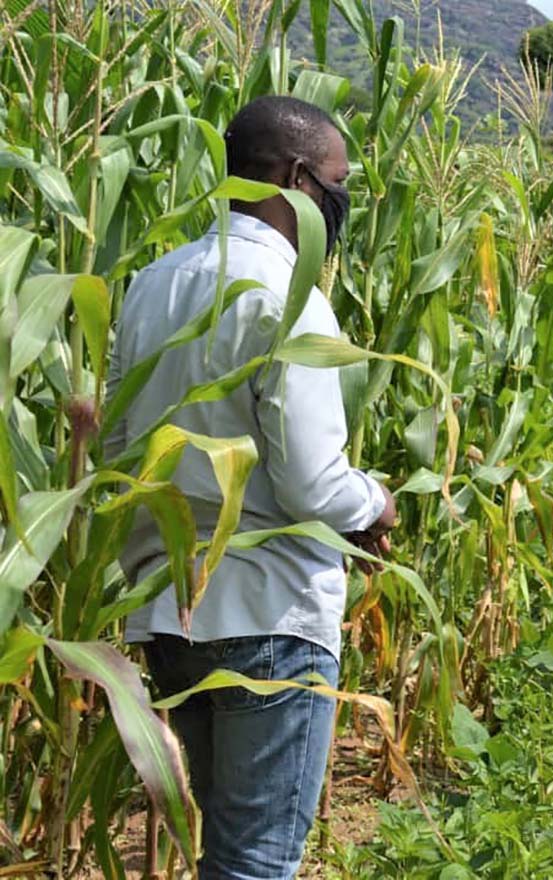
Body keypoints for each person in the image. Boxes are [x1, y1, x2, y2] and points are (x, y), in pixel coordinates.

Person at [106, 96, 396, 878]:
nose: (339, 206)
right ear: (299, 178)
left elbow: (115, 442)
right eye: (337, 187)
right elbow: (311, 483)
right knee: (256, 859)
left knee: (226, 854)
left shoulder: (152, 285)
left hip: (169, 613)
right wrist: (375, 503)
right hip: (270, 616)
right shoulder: (290, 295)